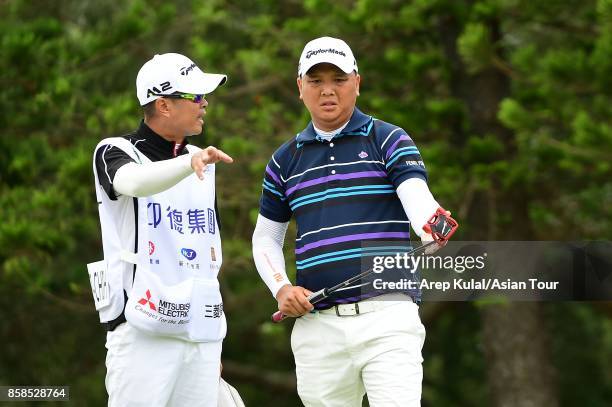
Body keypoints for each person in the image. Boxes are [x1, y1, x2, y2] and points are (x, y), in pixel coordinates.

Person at [252, 37, 452, 406]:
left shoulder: (387, 138)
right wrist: (281, 288)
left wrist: (429, 223)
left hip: (388, 316)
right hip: (318, 326)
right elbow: (266, 238)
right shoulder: (284, 160)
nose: (328, 90)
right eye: (315, 81)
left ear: (357, 82)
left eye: (339, 79)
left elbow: (416, 196)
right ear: (300, 88)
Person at [88, 52, 234, 407]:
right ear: (164, 105)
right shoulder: (115, 151)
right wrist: (188, 162)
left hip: (199, 330)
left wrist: (209, 339)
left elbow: (206, 247)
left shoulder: (202, 159)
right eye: (195, 97)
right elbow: (134, 183)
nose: (205, 104)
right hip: (142, 328)